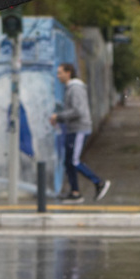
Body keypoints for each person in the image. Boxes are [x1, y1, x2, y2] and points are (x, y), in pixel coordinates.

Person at [50, 62, 111, 203]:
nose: (58, 76)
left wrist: (58, 116)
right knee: (68, 162)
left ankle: (99, 183)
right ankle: (75, 193)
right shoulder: (70, 88)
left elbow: (78, 111)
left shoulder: (75, 88)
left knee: (74, 161)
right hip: (74, 129)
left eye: (60, 72)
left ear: (68, 73)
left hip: (80, 129)